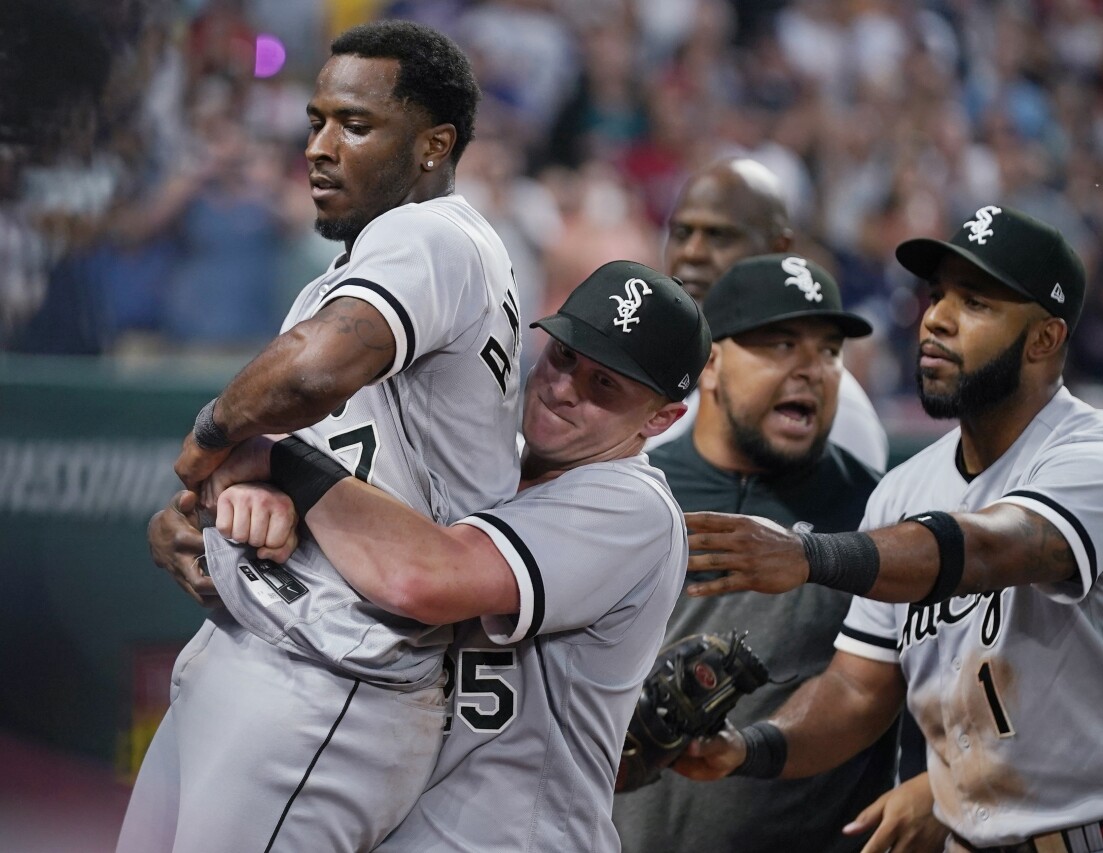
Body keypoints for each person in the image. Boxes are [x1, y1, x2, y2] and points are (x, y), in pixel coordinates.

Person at [676, 205, 1103, 852]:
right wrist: (748, 747)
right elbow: (857, 690)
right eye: (937, 293)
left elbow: (992, 546)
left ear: (1044, 339)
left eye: (976, 301)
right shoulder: (904, 489)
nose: (936, 317)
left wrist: (807, 554)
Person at [119, 21, 523, 851]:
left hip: (325, 680)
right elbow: (321, 443)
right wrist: (203, 506)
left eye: (356, 124)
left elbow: (312, 373)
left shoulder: (432, 232)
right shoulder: (388, 257)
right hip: (277, 652)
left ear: (432, 146)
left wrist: (203, 445)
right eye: (315, 122)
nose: (320, 147)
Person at [151, 261, 712, 852]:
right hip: (411, 823)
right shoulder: (489, 464)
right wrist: (217, 518)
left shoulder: (633, 504)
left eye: (605, 386)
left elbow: (423, 577)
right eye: (565, 356)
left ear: (661, 418)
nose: (564, 388)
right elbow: (352, 540)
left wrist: (281, 461)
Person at [612, 254, 948, 852]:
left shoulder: (880, 516)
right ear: (710, 364)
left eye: (828, 351)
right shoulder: (628, 494)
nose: (811, 370)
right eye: (781, 344)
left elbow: (928, 691)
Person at [646, 157, 889, 476]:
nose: (692, 252)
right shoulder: (645, 357)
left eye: (720, 236)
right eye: (681, 232)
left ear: (779, 249)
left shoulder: (827, 405)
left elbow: (853, 518)